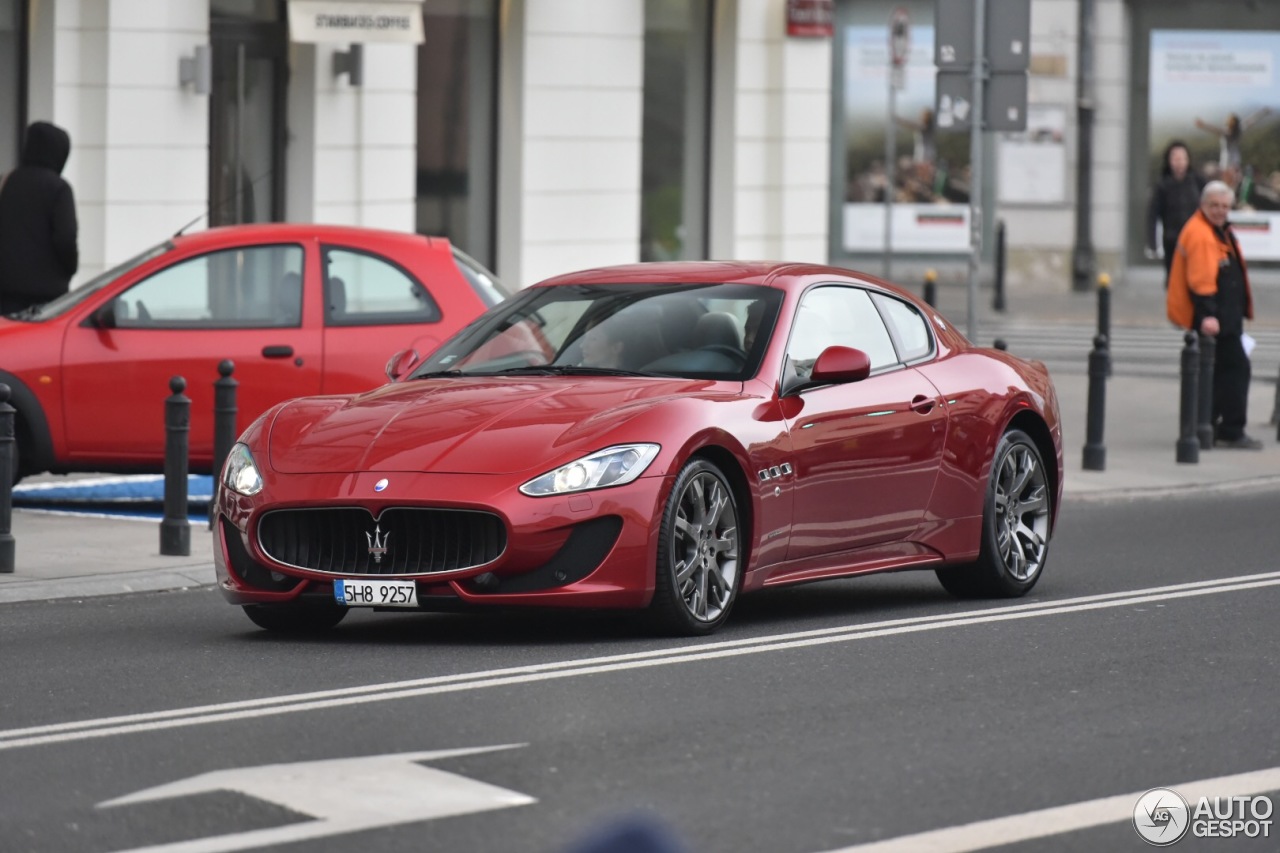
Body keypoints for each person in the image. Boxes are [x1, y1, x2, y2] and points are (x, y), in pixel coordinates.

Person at [1166, 180, 1260, 449]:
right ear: (1203, 205)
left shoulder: (1218, 229)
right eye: (1214, 205)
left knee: (1218, 373)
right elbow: (1202, 281)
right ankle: (1228, 429)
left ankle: (1208, 426)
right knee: (1234, 370)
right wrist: (1208, 316)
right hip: (1214, 321)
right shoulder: (1201, 233)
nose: (1220, 210)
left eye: (1225, 206)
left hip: (1226, 319)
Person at [0, 121, 79, 314]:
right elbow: (65, 238)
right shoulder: (59, 188)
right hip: (46, 299)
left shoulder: (6, 183)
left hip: (5, 295)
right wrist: (69, 268)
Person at [1145, 141, 1202, 287]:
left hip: (1195, 239)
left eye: (1182, 158)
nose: (1179, 162)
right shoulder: (1163, 185)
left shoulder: (1197, 181)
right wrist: (1152, 242)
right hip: (1172, 240)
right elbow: (1153, 215)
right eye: (1175, 158)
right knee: (1174, 280)